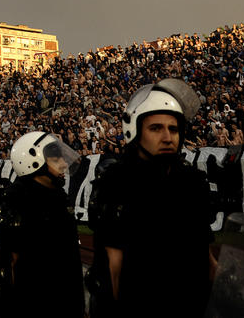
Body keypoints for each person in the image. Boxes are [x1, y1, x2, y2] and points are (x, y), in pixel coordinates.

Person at [86, 79, 216, 317]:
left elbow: (205, 257)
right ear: (134, 131)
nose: (168, 137)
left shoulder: (192, 182)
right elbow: (112, 270)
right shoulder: (116, 184)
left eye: (173, 129)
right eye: (155, 128)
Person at [0, 131, 84, 317]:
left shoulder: (57, 198)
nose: (64, 164)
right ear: (34, 163)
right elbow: (11, 266)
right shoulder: (19, 201)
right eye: (56, 160)